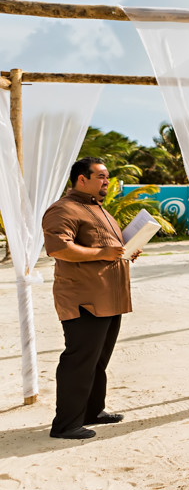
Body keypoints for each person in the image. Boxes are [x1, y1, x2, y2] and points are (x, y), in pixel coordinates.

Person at [43, 157, 141, 439]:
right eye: (100, 176)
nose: (106, 182)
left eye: (107, 177)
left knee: (98, 360)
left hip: (110, 298)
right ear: (81, 179)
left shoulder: (100, 211)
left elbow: (109, 248)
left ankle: (92, 411)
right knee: (79, 360)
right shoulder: (63, 209)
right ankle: (65, 425)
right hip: (84, 299)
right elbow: (59, 248)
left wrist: (126, 250)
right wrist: (103, 253)